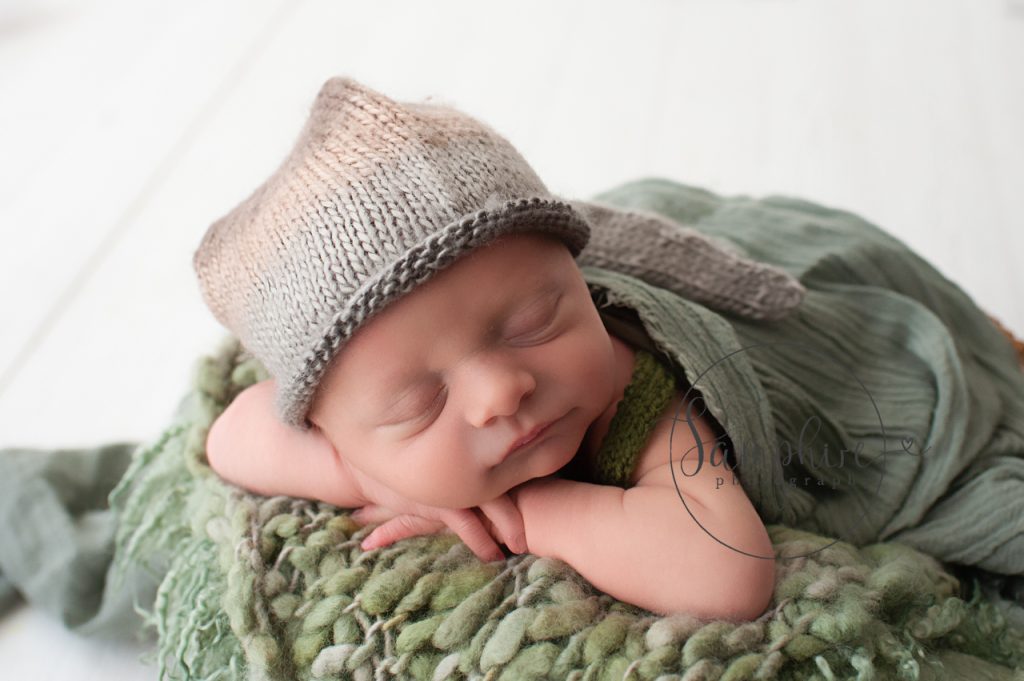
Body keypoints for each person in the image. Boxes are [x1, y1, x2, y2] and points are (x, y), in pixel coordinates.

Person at [192, 76, 797, 620]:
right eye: (417, 403)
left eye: (535, 321)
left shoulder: (633, 394)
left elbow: (729, 574)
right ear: (331, 426)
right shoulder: (344, 412)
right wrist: (373, 479)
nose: (501, 391)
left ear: (575, 278)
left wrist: (524, 512)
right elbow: (229, 440)